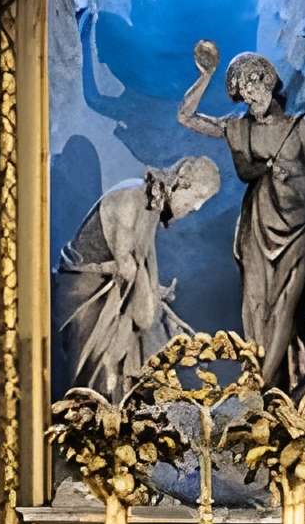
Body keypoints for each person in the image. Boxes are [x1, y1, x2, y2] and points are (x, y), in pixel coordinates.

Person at [177, 40, 305, 391]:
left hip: (297, 229)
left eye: (253, 81)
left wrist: (292, 178)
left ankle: (263, 389)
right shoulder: (238, 129)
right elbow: (186, 117)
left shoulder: (302, 126)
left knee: (284, 305)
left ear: (268, 79)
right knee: (255, 307)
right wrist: (206, 76)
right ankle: (259, 381)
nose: (249, 92)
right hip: (258, 223)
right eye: (241, 88)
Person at [53, 155, 221, 397]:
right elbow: (128, 269)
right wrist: (151, 296)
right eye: (197, 198)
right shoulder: (132, 198)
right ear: (180, 182)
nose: (195, 208)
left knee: (161, 335)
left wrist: (154, 292)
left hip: (112, 292)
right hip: (86, 296)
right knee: (142, 345)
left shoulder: (149, 203)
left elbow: (136, 269)